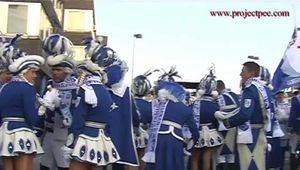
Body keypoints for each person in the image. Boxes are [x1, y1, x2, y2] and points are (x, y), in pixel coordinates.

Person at [85, 37, 139, 170]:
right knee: (116, 161)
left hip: (99, 132)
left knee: (99, 161)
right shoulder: (125, 90)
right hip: (116, 133)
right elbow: (134, 115)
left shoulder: (93, 86)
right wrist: (137, 126)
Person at [62, 60, 120, 170]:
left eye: (80, 74)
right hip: (102, 139)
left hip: (85, 137)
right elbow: (110, 120)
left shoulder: (85, 90)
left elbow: (79, 118)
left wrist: (70, 143)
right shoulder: (106, 92)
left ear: (84, 74)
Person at [215, 61, 272, 170]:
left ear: (251, 73)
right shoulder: (265, 89)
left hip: (250, 134)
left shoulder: (250, 88)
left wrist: (228, 122)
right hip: (261, 131)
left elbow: (245, 114)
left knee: (247, 163)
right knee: (260, 163)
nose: (240, 74)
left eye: (243, 71)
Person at [141, 67, 199, 170]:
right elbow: (195, 133)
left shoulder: (155, 105)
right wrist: (189, 147)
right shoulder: (185, 108)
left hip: (157, 139)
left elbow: (144, 118)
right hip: (175, 141)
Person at [0, 44, 44, 170]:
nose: (35, 76)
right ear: (24, 72)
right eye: (33, 72)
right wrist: (39, 115)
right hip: (22, 131)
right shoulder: (28, 88)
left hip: (5, 131)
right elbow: (30, 114)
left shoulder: (4, 87)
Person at [37, 34, 77, 170]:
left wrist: (59, 104)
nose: (54, 73)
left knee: (63, 166)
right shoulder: (49, 84)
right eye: (53, 69)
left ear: (66, 71)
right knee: (45, 165)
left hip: (64, 134)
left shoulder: (74, 87)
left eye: (58, 70)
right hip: (48, 132)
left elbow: (73, 113)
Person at [191, 67, 223, 170]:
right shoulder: (215, 105)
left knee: (195, 158)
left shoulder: (194, 104)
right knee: (207, 158)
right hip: (211, 132)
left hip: (197, 132)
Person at [131, 71, 155, 170]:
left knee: (130, 158)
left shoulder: (130, 103)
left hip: (130, 132)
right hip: (145, 133)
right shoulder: (150, 105)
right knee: (142, 157)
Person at [215, 80, 240, 170]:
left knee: (220, 154)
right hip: (234, 126)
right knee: (231, 154)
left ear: (217, 88)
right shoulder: (234, 95)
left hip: (222, 128)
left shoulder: (220, 97)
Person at [275, 91, 290, 169]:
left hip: (284, 129)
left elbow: (288, 116)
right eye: (279, 96)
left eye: (282, 96)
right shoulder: (274, 105)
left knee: (283, 150)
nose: (280, 97)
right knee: (276, 150)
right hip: (276, 130)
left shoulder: (287, 105)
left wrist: (284, 118)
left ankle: (281, 166)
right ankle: (277, 164)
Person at [288, 86, 300, 170]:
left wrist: (290, 126)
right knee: (294, 147)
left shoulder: (295, 100)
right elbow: (292, 114)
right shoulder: (295, 99)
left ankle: (295, 165)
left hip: (296, 126)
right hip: (296, 126)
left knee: (294, 147)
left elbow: (292, 114)